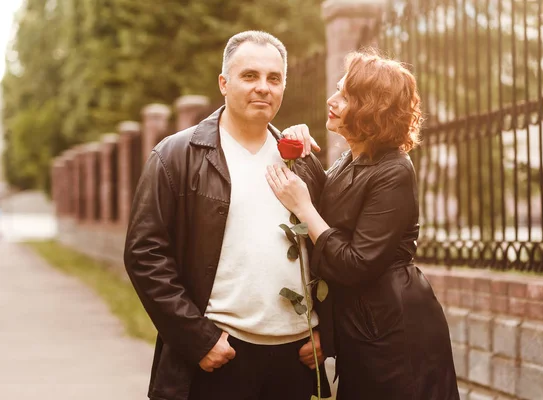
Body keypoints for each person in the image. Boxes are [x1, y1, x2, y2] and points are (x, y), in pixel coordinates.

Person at [124, 30, 331, 400]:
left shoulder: (303, 162)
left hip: (296, 360)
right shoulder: (175, 156)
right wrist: (197, 340)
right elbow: (145, 255)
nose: (263, 88)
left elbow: (334, 249)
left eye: (274, 78)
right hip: (219, 355)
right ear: (224, 83)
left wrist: (325, 333)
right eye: (249, 76)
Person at [266, 50, 460, 399]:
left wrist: (303, 206)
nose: (332, 99)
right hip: (363, 329)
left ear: (373, 108)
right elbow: (328, 211)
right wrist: (303, 153)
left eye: (346, 96)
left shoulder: (394, 171)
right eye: (337, 90)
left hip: (395, 336)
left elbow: (355, 262)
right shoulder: (351, 159)